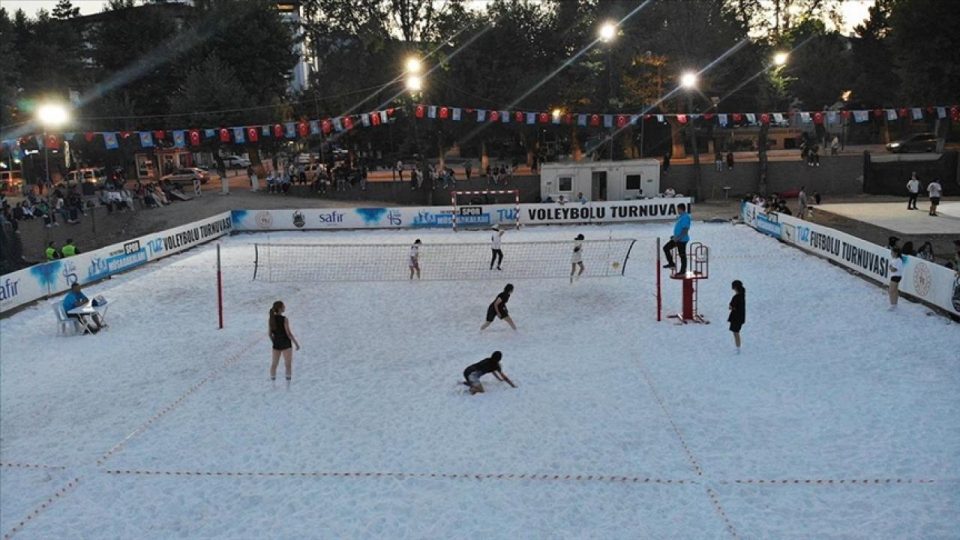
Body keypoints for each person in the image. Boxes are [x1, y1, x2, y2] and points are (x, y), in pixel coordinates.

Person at [268, 301, 300, 381]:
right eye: (283, 306)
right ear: (280, 308)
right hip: (286, 343)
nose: (284, 307)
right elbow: (288, 333)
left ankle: (273, 383)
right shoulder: (284, 319)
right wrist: (296, 343)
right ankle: (288, 385)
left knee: (274, 364)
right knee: (288, 365)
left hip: (276, 344)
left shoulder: (271, 319)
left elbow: (269, 334)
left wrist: (274, 341)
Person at [662, 203, 691, 275]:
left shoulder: (685, 217)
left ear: (681, 209)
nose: (677, 210)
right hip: (677, 238)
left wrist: (678, 238)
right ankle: (671, 263)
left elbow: (685, 230)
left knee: (682, 255)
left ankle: (682, 271)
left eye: (678, 209)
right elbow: (679, 228)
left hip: (682, 240)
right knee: (666, 248)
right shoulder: (681, 217)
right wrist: (674, 236)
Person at [728, 280, 746, 353]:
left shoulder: (736, 297)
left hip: (736, 317)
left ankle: (738, 348)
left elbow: (732, 306)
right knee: (736, 332)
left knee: (736, 332)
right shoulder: (742, 295)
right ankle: (738, 347)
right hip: (741, 316)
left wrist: (731, 307)